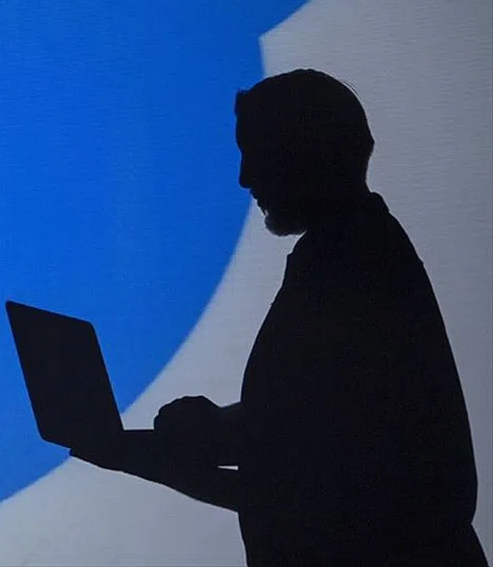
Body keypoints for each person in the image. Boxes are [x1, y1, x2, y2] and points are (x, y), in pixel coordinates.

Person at [72, 70, 486, 565]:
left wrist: (150, 455)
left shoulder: (352, 270)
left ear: (303, 156)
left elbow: (302, 485)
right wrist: (202, 433)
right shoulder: (357, 256)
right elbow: (305, 431)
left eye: (257, 154)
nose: (245, 177)